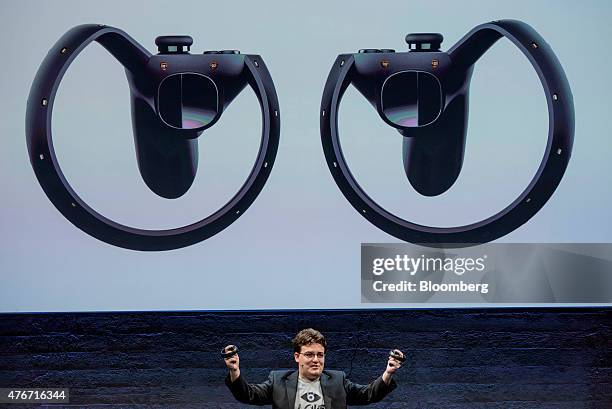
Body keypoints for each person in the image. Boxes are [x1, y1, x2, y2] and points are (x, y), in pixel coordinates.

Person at [223, 328, 403, 408]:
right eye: (309, 354)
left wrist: (388, 372)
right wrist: (234, 370)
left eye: (320, 354)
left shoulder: (338, 380)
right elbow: (248, 395)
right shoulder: (278, 380)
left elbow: (368, 395)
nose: (316, 360)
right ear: (297, 357)